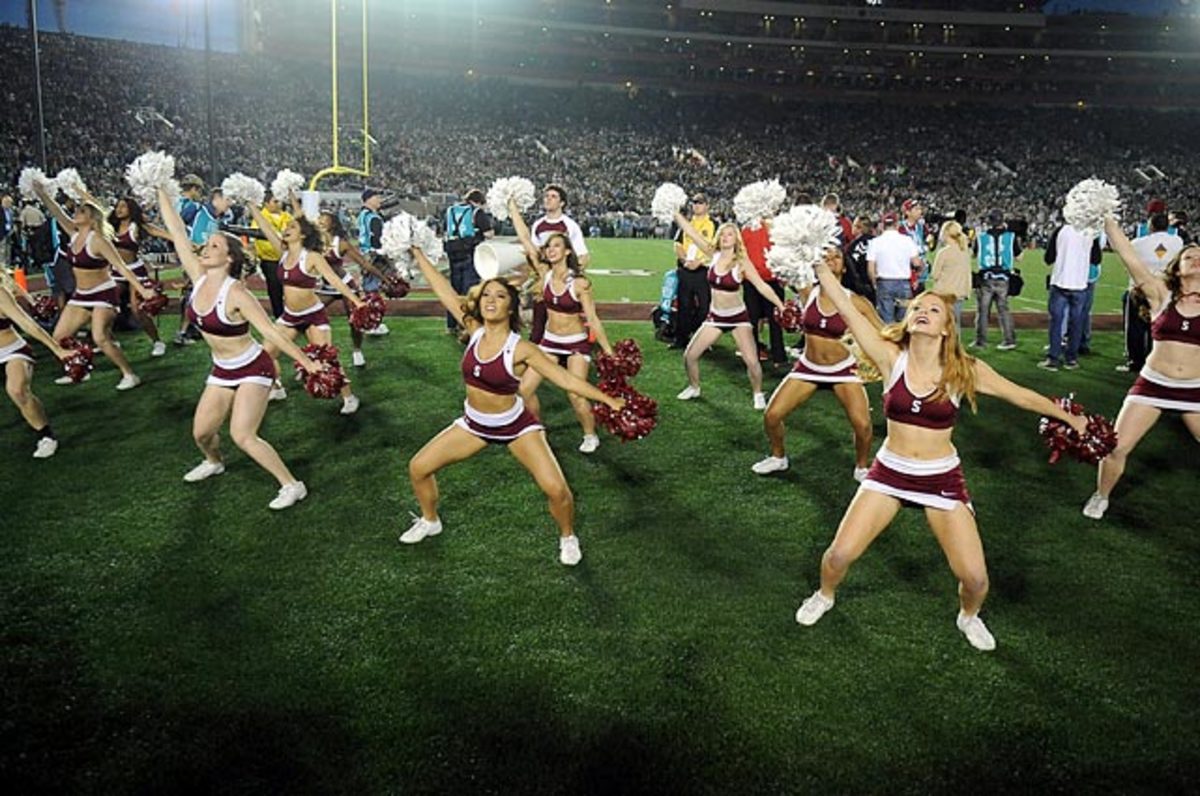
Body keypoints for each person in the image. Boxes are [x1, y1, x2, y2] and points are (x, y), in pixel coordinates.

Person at [794, 261, 1088, 651]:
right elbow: (848, 309)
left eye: (933, 310)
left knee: (976, 579)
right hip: (889, 472)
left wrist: (1068, 417)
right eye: (917, 307)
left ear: (947, 327)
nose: (922, 312)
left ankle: (968, 616)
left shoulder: (963, 370)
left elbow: (1019, 395)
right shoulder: (889, 358)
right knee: (837, 556)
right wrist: (818, 264)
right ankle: (824, 596)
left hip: (940, 479)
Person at [401, 245, 624, 566]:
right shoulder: (473, 331)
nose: (491, 300)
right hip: (474, 425)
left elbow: (566, 380)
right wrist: (420, 256)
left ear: (510, 308)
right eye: (486, 295)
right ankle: (430, 520)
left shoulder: (522, 349)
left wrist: (608, 400)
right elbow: (444, 290)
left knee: (558, 491)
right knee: (418, 468)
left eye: (500, 297)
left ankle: (568, 536)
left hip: (516, 427)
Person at [156, 185, 322, 510]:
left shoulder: (237, 294)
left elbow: (270, 334)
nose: (205, 248)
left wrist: (307, 362)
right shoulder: (199, 277)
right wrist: (160, 186)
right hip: (221, 369)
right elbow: (176, 231)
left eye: (214, 245)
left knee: (243, 435)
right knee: (202, 433)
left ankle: (292, 485)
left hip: (252, 367)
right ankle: (214, 462)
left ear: (229, 258)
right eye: (206, 244)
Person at [1082, 218, 1200, 521]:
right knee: (1116, 446)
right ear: (1177, 267)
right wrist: (1108, 223)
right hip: (1153, 383)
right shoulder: (1161, 293)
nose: (1196, 258)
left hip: (1195, 388)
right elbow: (1129, 257)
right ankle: (1101, 495)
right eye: (1189, 256)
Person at [752, 247, 882, 481]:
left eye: (836, 257)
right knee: (772, 415)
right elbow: (785, 265)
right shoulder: (807, 292)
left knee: (862, 425)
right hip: (808, 367)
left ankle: (862, 467)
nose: (831, 260)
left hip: (843, 370)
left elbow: (883, 331)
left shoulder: (857, 302)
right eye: (826, 256)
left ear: (844, 267)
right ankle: (778, 457)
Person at [510, 196, 614, 454]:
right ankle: (535, 428)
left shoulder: (580, 283)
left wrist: (609, 351)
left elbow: (592, 320)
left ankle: (590, 435)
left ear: (568, 251)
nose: (551, 250)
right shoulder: (544, 274)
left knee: (575, 394)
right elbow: (525, 238)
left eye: (557, 246)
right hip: (549, 342)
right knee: (524, 389)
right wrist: (511, 205)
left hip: (576, 344)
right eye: (548, 247)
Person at [247, 201, 365, 415]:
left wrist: (356, 301)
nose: (286, 229)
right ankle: (277, 387)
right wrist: (250, 204)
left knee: (327, 359)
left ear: (302, 235)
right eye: (286, 227)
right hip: (289, 317)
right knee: (265, 355)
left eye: (292, 227)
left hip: (313, 316)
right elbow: (264, 227)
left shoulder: (312, 257)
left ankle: (349, 397)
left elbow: (335, 281)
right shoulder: (282, 252)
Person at [32, 181, 153, 389]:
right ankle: (79, 368)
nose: (76, 212)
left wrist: (142, 289)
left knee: (100, 337)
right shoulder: (74, 233)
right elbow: (56, 211)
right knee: (59, 337)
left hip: (103, 294)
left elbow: (122, 268)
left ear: (91, 218)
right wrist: (42, 193)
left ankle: (129, 374)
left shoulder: (98, 241)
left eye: (82, 210)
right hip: (81, 295)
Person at [672, 208, 786, 409]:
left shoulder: (741, 262)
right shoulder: (712, 254)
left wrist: (780, 304)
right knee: (690, 356)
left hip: (737, 318)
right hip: (715, 316)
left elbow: (761, 285)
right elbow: (690, 232)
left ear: (736, 239)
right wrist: (675, 212)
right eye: (723, 234)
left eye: (730, 234)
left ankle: (758, 394)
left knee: (752, 362)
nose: (725, 237)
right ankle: (694, 387)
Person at [0, 275, 70, 458]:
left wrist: (57, 350)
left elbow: (26, 323)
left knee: (17, 390)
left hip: (11, 350)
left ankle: (46, 436)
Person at [316, 210, 388, 368]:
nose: (319, 220)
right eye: (319, 218)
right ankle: (315, 350)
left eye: (324, 218)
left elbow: (364, 263)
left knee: (354, 319)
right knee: (310, 312)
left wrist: (384, 279)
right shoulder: (313, 241)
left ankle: (357, 351)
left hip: (346, 285)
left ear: (333, 223)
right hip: (328, 287)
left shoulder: (340, 243)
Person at [526, 184, 590, 345]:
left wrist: (570, 276)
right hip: (543, 280)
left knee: (566, 321)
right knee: (538, 322)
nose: (548, 199)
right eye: (546, 196)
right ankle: (536, 357)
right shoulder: (538, 225)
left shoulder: (570, 225)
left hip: (564, 282)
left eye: (553, 196)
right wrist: (540, 275)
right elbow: (534, 253)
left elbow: (583, 255)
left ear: (562, 203)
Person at [1120, 213, 1182, 372]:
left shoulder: (1137, 243)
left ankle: (1135, 361)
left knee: (1135, 327)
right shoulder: (1177, 242)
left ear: (1151, 226)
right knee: (1159, 327)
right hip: (1165, 291)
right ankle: (1155, 360)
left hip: (1140, 290)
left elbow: (1128, 265)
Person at [106, 196, 166, 356]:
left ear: (131, 209)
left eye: (123, 207)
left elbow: (156, 231)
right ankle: (108, 339)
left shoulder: (136, 226)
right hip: (116, 271)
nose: (119, 209)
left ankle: (157, 341)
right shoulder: (111, 226)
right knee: (106, 305)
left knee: (137, 309)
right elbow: (96, 206)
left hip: (135, 271)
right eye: (117, 206)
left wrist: (184, 241)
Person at [1040, 221, 1101, 371]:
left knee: (1056, 322)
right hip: (1080, 284)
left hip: (1060, 282)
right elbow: (1096, 259)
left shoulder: (1060, 231)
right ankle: (1071, 359)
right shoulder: (1090, 233)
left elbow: (1048, 258)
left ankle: (1053, 358)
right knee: (1077, 323)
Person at [443, 188, 494, 333]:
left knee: (454, 290)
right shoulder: (476, 212)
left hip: (453, 253)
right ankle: (465, 324)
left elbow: (446, 230)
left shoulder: (450, 210)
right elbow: (489, 233)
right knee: (469, 290)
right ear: (479, 201)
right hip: (470, 253)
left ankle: (451, 324)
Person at [741, 214, 787, 369]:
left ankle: (778, 356)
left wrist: (784, 274)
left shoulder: (777, 229)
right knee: (752, 319)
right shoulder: (746, 230)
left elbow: (784, 253)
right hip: (751, 280)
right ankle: (752, 355)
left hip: (773, 280)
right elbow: (741, 254)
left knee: (775, 320)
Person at [972, 209, 1021, 351]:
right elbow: (1019, 257)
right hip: (1004, 277)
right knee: (1004, 310)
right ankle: (1009, 339)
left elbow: (974, 255)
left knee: (982, 311)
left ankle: (981, 341)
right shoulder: (1011, 237)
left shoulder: (981, 237)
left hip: (986, 277)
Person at [672, 194, 716, 349]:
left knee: (705, 306)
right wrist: (685, 261)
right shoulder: (686, 224)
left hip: (703, 270)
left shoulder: (713, 224)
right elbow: (677, 244)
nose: (697, 205)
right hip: (686, 269)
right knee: (684, 305)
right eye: (694, 202)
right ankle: (681, 338)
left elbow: (715, 249)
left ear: (707, 205)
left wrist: (701, 262)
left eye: (700, 202)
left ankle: (701, 339)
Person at [867, 212, 922, 324]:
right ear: (897, 224)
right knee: (903, 321)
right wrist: (918, 275)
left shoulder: (875, 242)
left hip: (884, 283)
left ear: (882, 225)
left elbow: (870, 268)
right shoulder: (907, 240)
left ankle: (889, 341)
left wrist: (874, 283)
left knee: (887, 322)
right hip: (903, 284)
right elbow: (917, 263)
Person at [252, 192, 293, 319]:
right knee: (275, 289)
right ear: (266, 203)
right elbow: (260, 239)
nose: (279, 204)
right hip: (271, 260)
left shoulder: (287, 216)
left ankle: (293, 315)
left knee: (291, 289)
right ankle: (279, 316)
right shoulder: (260, 217)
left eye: (279, 201)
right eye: (275, 201)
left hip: (289, 258)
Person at [356, 188, 389, 336]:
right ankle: (372, 323)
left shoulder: (362, 215)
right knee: (373, 290)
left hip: (364, 254)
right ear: (368, 199)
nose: (379, 200)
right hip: (373, 255)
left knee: (369, 288)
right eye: (376, 197)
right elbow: (379, 239)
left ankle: (368, 321)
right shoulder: (373, 217)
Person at [931, 220, 972, 331]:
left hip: (944, 293)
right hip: (959, 293)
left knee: (942, 324)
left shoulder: (944, 253)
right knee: (955, 324)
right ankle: (955, 347)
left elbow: (934, 275)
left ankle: (943, 348)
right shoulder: (965, 251)